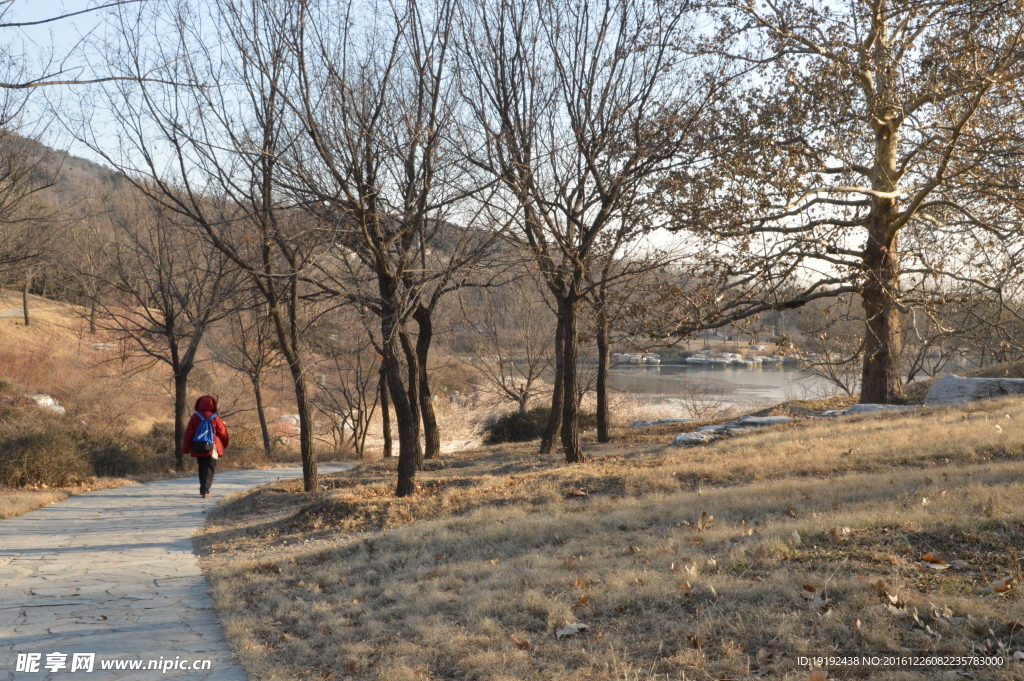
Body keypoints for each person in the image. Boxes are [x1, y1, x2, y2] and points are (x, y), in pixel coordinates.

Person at [182, 395, 229, 498]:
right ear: (213, 405)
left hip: (198, 446)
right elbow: (223, 433)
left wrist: (185, 449)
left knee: (202, 467)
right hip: (212, 447)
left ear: (198, 405)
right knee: (209, 468)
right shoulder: (215, 418)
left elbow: (188, 434)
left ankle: (203, 489)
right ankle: (205, 491)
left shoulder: (195, 417)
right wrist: (225, 444)